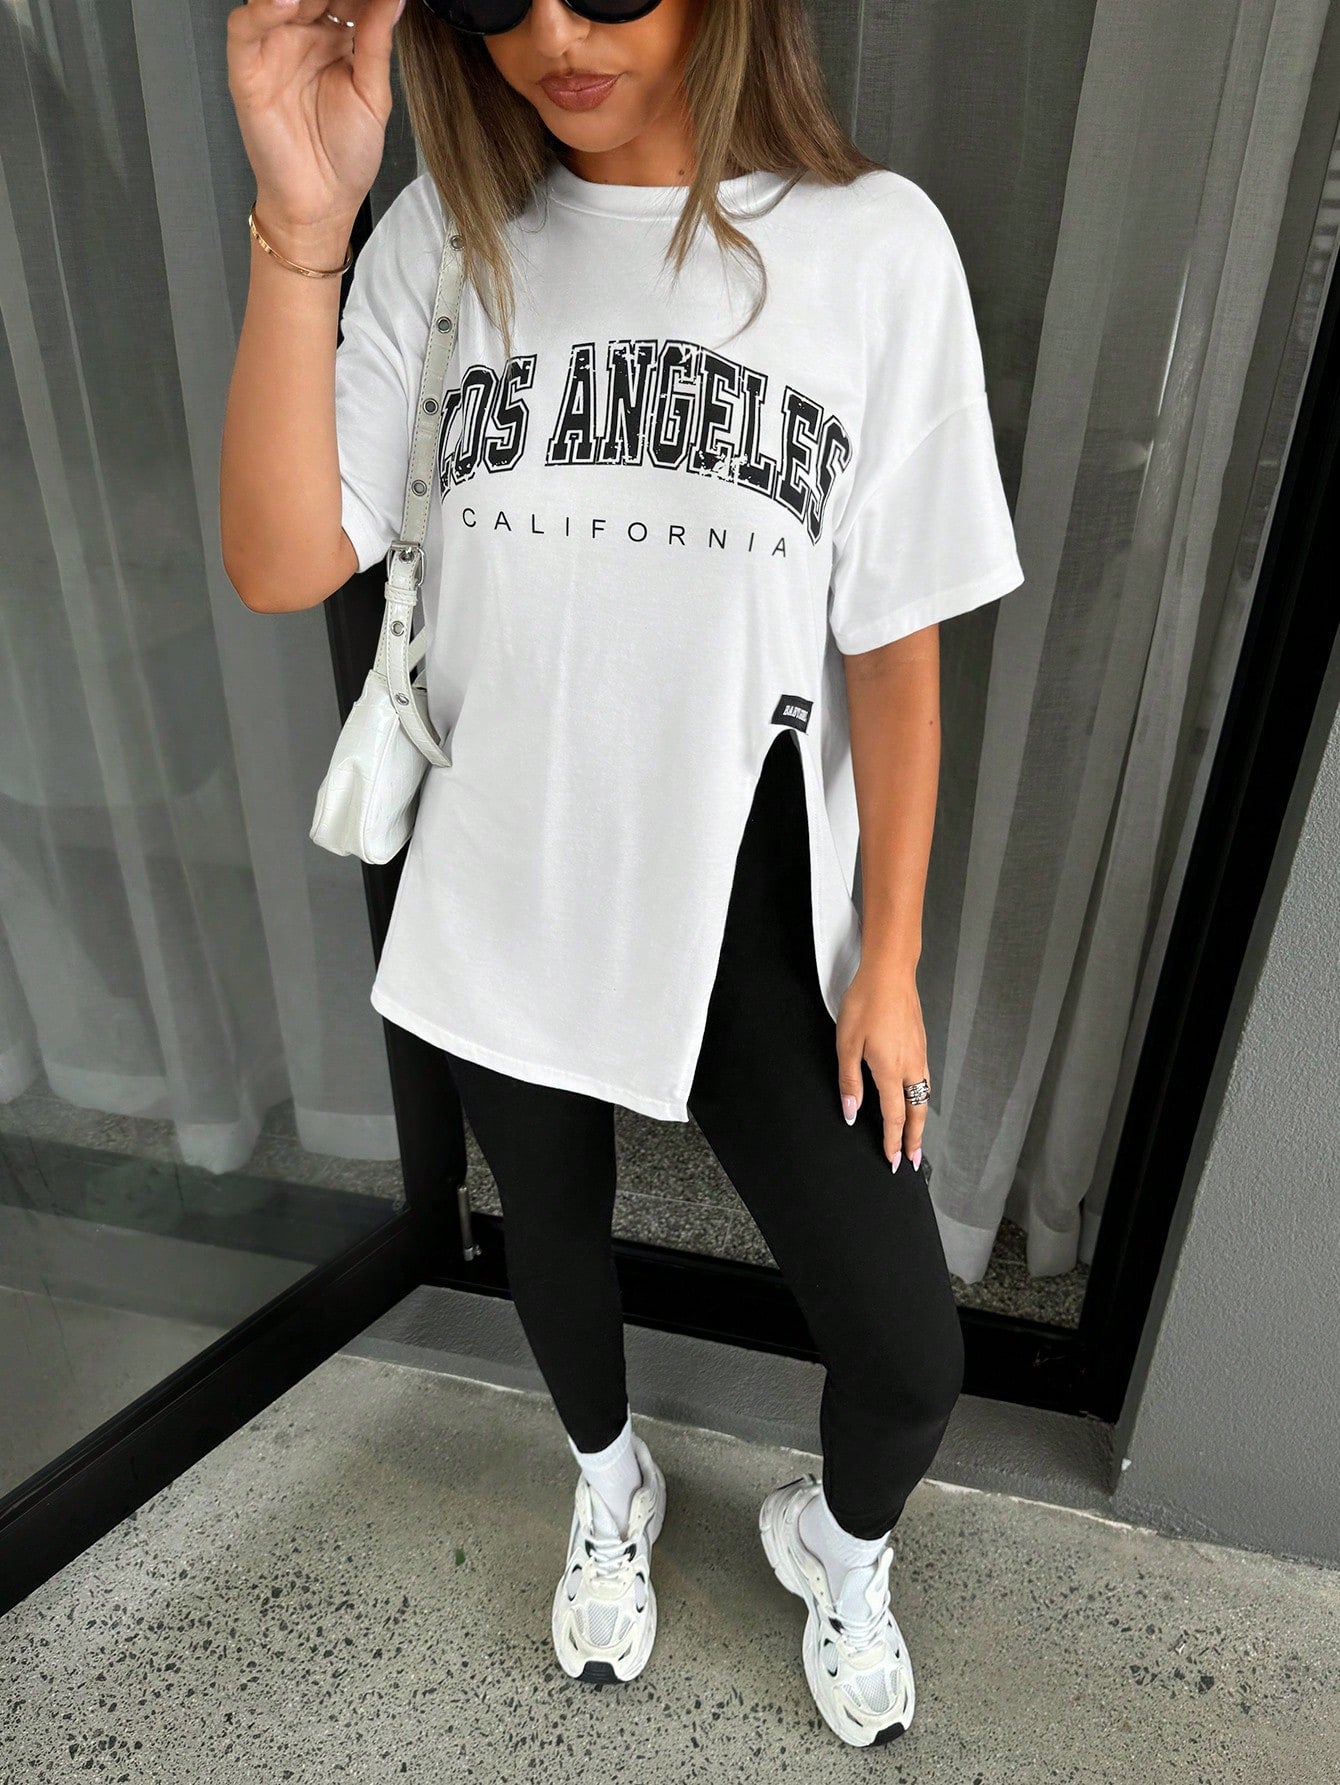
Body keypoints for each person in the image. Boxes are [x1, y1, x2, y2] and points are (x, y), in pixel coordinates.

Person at [221, 0, 1025, 1748]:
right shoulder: (437, 243)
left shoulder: (873, 249)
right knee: (554, 1243)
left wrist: (889, 956)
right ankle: (610, 1478)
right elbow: (283, 560)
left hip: (746, 894)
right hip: (504, 862)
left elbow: (895, 643)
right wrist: (303, 221)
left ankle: (839, 1542)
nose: (553, 35)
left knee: (910, 1353)